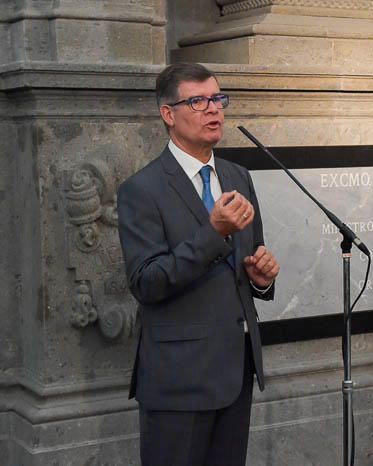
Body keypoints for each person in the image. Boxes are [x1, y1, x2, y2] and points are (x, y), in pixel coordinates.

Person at [117, 62, 280, 466]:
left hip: (234, 370)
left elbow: (247, 262)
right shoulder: (142, 189)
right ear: (168, 114)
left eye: (218, 99)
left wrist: (260, 278)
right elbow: (146, 283)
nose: (214, 110)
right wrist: (213, 233)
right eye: (198, 101)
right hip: (178, 380)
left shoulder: (237, 176)